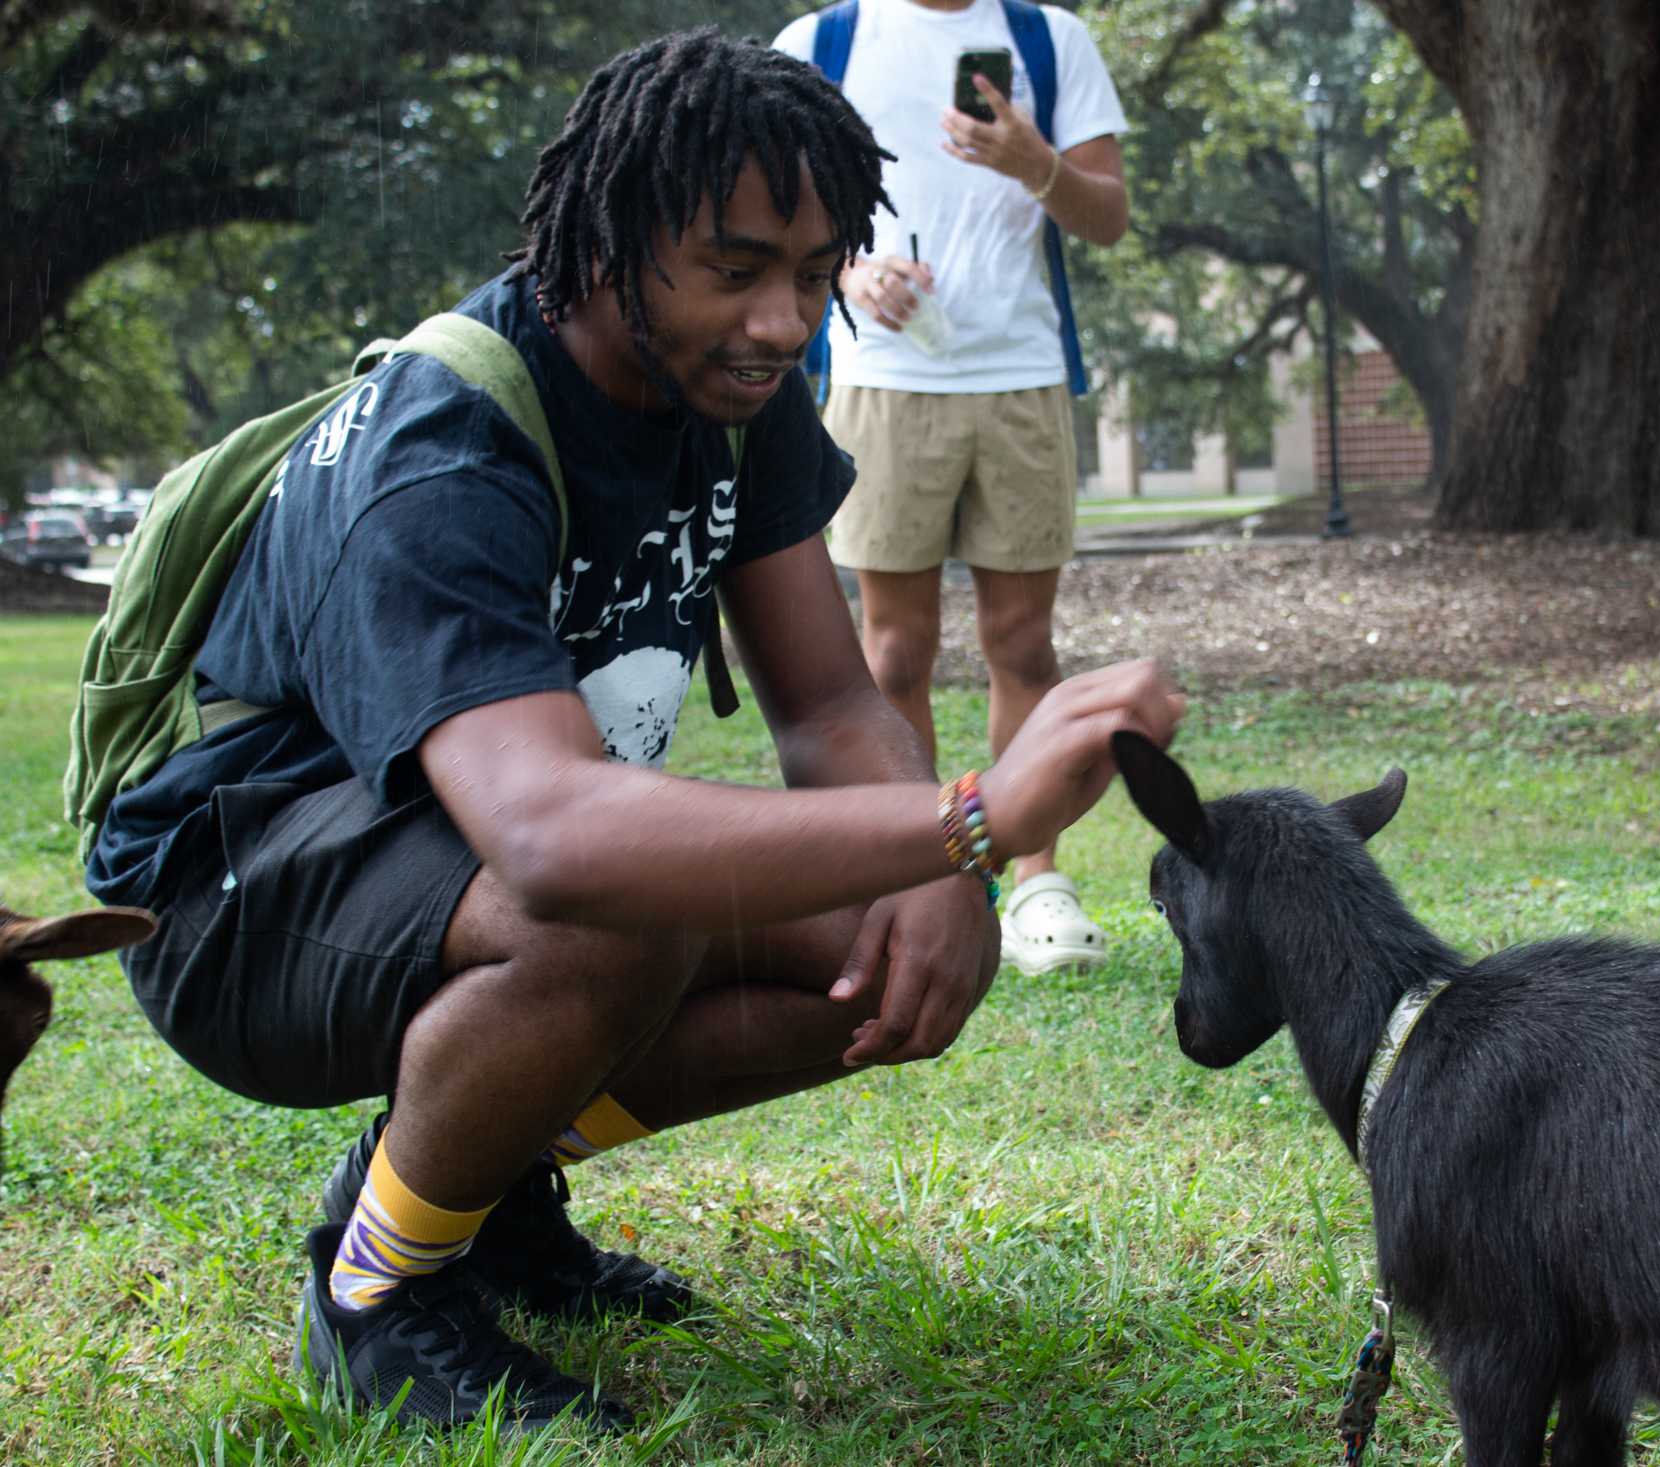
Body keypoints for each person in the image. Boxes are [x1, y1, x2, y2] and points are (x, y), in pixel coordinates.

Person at [78, 28, 1181, 1431]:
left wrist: (930, 879)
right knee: (616, 903)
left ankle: (478, 1194)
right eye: (735, 269)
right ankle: (377, 1290)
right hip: (223, 897)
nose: (785, 321)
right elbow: (551, 831)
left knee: (874, 953)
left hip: (440, 861)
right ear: (607, 248)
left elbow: (835, 701)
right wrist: (973, 823)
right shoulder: (447, 442)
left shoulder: (734, 395)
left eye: (811, 268)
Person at [771, 0, 1131, 974]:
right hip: (884, 382)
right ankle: (915, 883)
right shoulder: (820, 46)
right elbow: (768, 215)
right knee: (893, 655)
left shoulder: (1051, 40)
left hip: (1019, 374)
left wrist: (1033, 162)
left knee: (1021, 642)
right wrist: (845, 273)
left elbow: (1106, 214)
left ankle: (1033, 890)